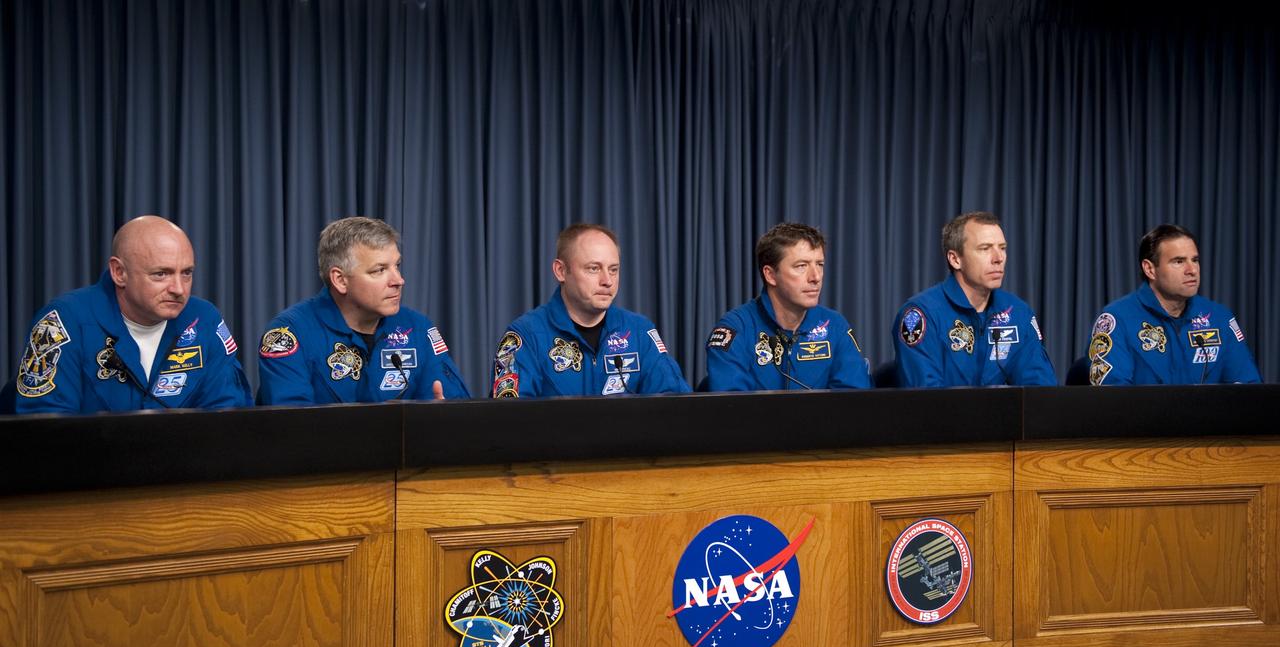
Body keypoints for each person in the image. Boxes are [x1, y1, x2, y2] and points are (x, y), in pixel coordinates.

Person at [14, 215, 253, 414]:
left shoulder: (204, 319)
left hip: (184, 468)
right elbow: (44, 427)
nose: (179, 289)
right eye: (161, 274)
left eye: (187, 273)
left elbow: (227, 416)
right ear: (119, 272)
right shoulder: (64, 321)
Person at [256, 216, 470, 404]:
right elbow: (289, 429)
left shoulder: (417, 328)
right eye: (380, 270)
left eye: (397, 266)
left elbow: (449, 405)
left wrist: (444, 417)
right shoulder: (288, 333)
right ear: (340, 280)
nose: (399, 280)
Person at [491, 223, 689, 398]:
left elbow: (674, 405)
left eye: (613, 269)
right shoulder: (525, 337)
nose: (607, 281)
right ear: (561, 271)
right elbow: (509, 421)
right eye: (593, 269)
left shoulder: (639, 331)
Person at [893, 212, 1055, 387]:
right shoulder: (921, 314)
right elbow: (927, 399)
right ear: (955, 259)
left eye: (1002, 247)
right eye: (985, 249)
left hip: (1006, 414)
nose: (998, 258)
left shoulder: (1018, 312)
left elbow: (1041, 389)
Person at [705, 222, 871, 391]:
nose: (815, 277)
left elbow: (854, 401)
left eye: (819, 265)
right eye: (801, 266)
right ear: (770, 275)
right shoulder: (736, 328)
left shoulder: (834, 325)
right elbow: (731, 409)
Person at [1087, 224, 1260, 385]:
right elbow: (1111, 400)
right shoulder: (1117, 320)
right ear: (1150, 269)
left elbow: (1247, 388)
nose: (1192, 270)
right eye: (1179, 261)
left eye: (1195, 260)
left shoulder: (1219, 318)